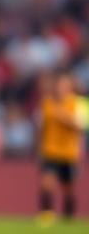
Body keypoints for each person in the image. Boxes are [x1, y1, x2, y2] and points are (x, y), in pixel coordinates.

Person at [37, 73, 82, 224]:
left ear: (70, 88)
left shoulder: (78, 104)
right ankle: (47, 215)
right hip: (50, 151)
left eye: (64, 85)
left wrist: (62, 115)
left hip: (68, 153)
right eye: (59, 85)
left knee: (68, 188)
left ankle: (69, 217)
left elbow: (80, 126)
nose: (60, 89)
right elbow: (41, 127)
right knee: (47, 183)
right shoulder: (47, 103)